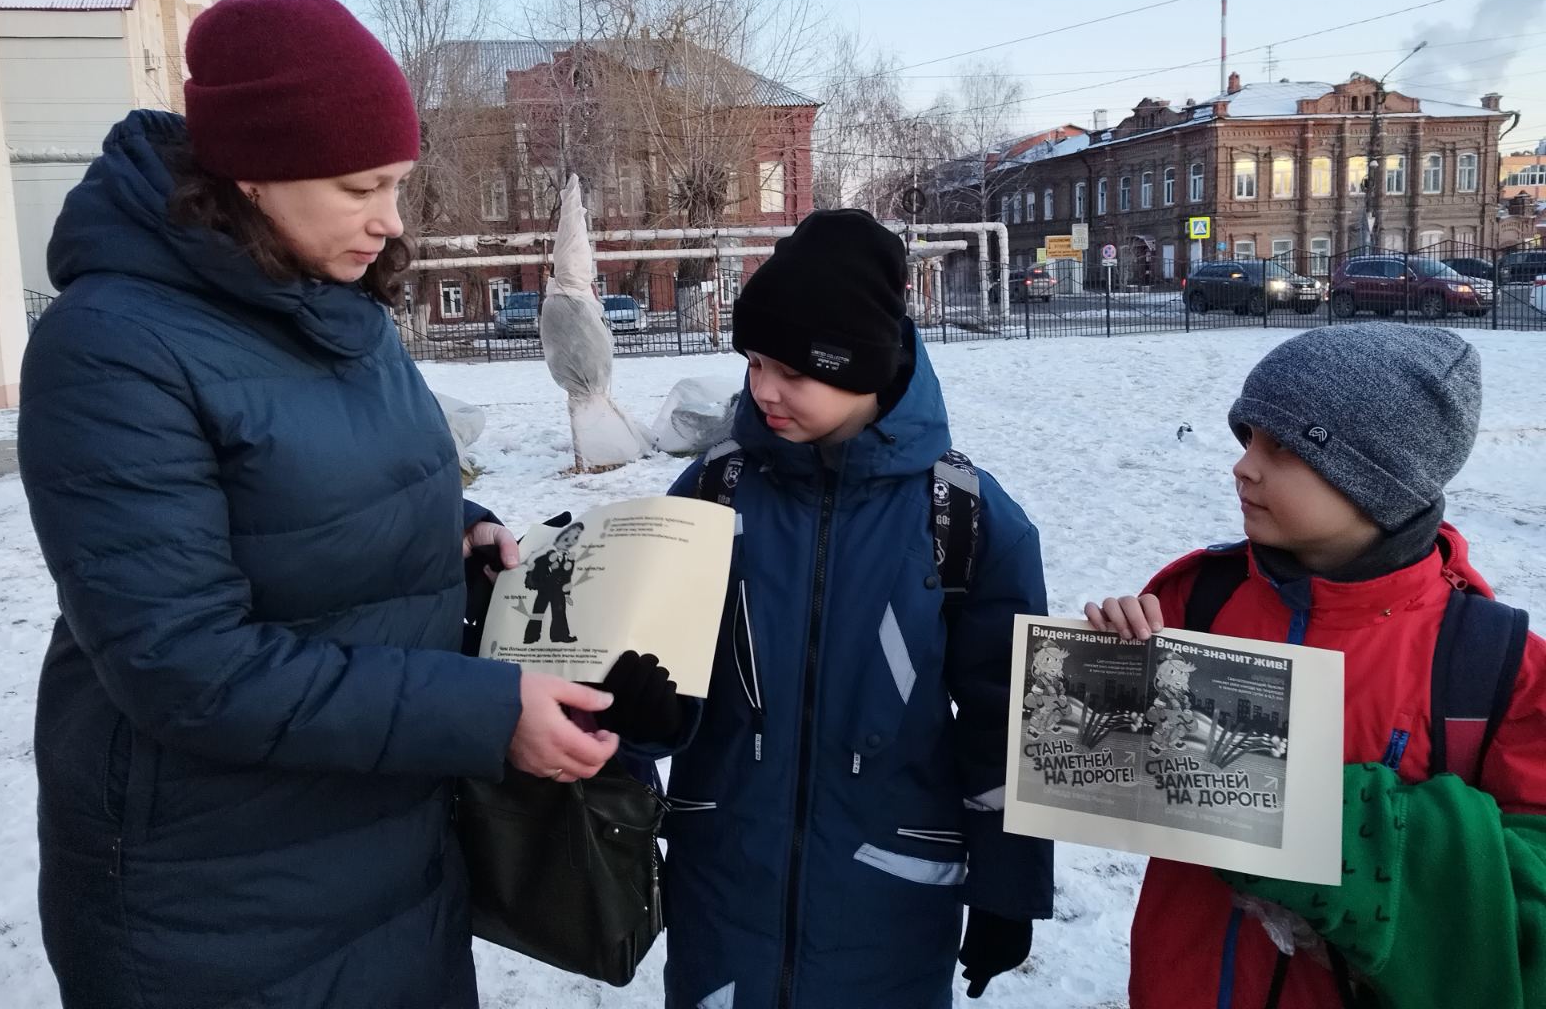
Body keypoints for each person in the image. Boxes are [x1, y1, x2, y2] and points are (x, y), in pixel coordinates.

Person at [17, 0, 621, 1009]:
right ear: (251, 172)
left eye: (396, 182)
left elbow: (336, 482)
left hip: (385, 838)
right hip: (211, 894)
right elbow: (184, 665)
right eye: (358, 186)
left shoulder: (335, 304)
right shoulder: (113, 346)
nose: (389, 219)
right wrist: (479, 714)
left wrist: (452, 535)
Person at [654, 210, 1055, 1009]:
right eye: (754, 362)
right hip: (726, 887)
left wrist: (1009, 887)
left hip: (891, 901)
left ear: (865, 369)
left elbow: (1006, 719)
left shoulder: (965, 517)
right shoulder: (711, 490)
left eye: (793, 372)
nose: (762, 390)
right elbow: (646, 675)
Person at [1084, 324, 1546, 1009]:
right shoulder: (1196, 597)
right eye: (1247, 439)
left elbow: (1529, 890)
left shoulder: (1493, 667)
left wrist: (1353, 836)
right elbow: (1111, 768)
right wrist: (1111, 668)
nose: (1243, 466)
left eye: (1282, 448)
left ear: (1375, 481)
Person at [523, 522, 584, 644]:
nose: (570, 541)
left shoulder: (569, 559)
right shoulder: (545, 556)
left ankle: (560, 635)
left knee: (559, 613)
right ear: (559, 536)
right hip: (544, 588)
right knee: (538, 612)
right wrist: (549, 566)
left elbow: (567, 578)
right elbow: (537, 569)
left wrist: (567, 594)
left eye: (576, 538)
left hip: (559, 591)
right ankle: (531, 636)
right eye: (566, 537)